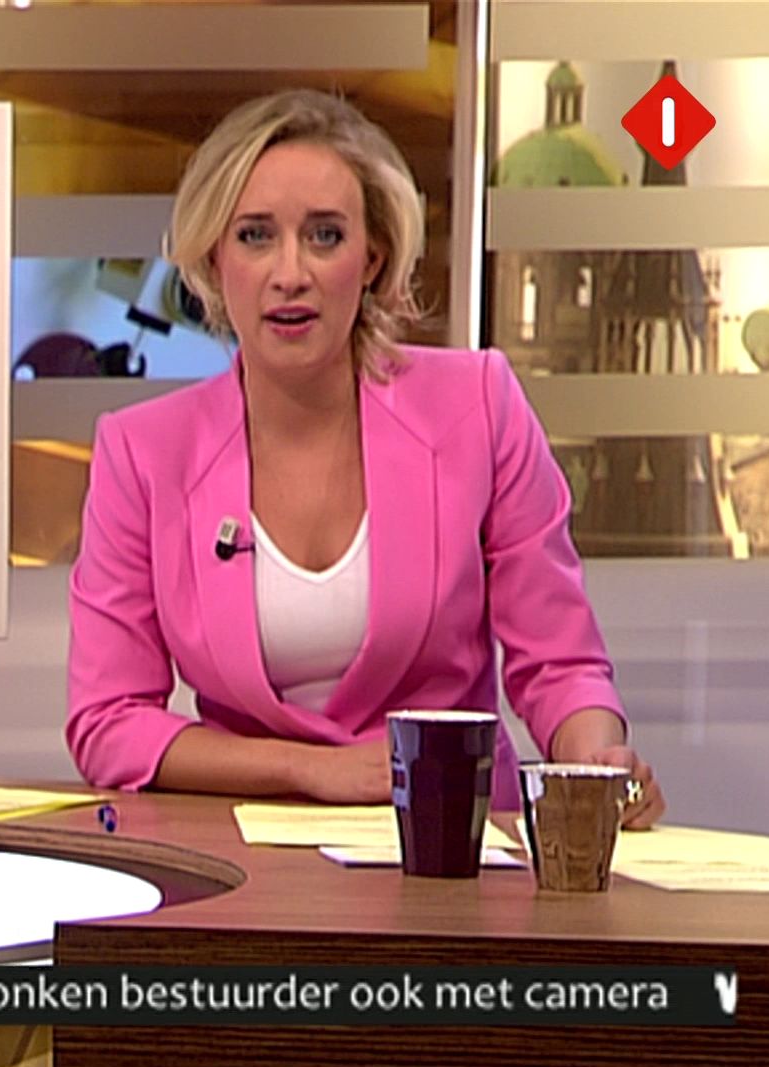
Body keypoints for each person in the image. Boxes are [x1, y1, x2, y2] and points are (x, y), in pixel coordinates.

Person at [65, 90, 664, 826]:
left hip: (452, 841)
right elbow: (109, 721)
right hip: (246, 850)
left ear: (372, 258)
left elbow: (560, 665)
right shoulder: (144, 453)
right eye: (255, 236)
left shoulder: (477, 406)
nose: (291, 273)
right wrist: (310, 771)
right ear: (215, 260)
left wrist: (596, 763)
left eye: (325, 236)